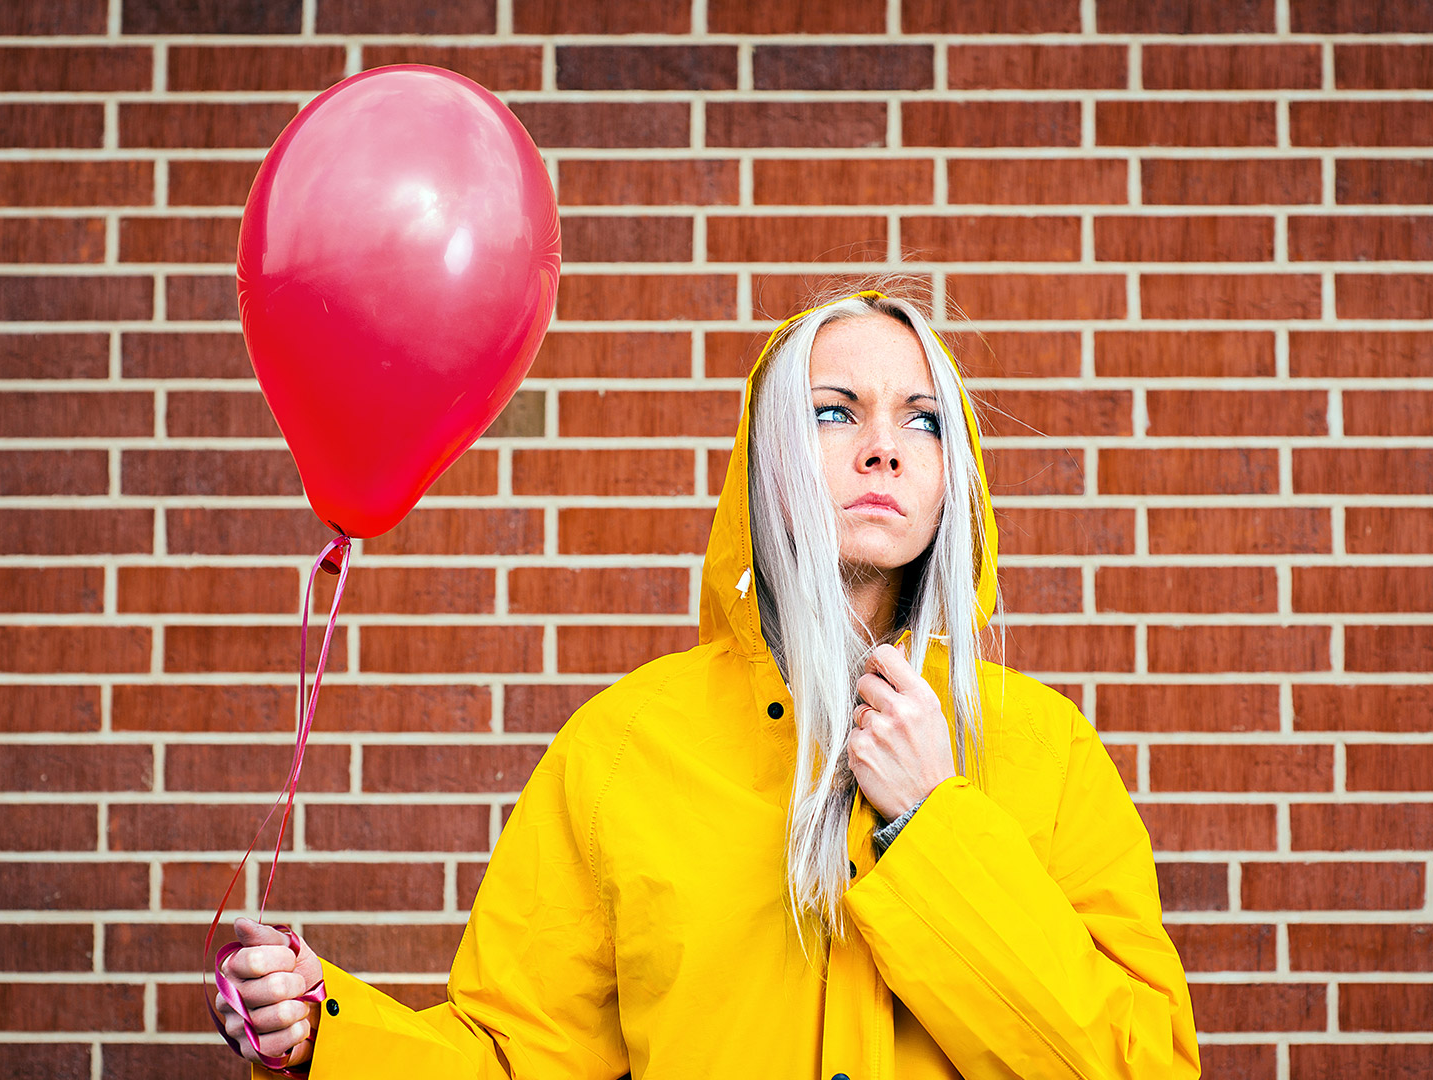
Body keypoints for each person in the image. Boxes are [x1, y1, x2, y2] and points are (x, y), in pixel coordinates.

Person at [214, 282, 1200, 1078]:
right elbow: (519, 1060)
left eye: (925, 420)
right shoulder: (626, 750)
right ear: (764, 458)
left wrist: (931, 827)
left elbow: (1140, 1067)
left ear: (955, 476)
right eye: (832, 412)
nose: (885, 447)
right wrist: (325, 1037)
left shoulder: (1046, 754)